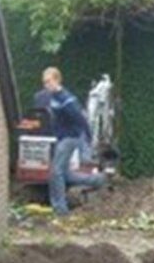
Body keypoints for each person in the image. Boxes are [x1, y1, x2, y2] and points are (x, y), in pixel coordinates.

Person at [33, 67, 105, 215]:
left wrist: (88, 138)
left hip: (70, 138)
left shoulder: (67, 100)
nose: (46, 86)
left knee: (55, 172)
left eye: (48, 82)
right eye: (44, 83)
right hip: (61, 137)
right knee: (65, 174)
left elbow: (81, 120)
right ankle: (97, 180)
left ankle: (60, 209)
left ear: (57, 80)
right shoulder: (52, 97)